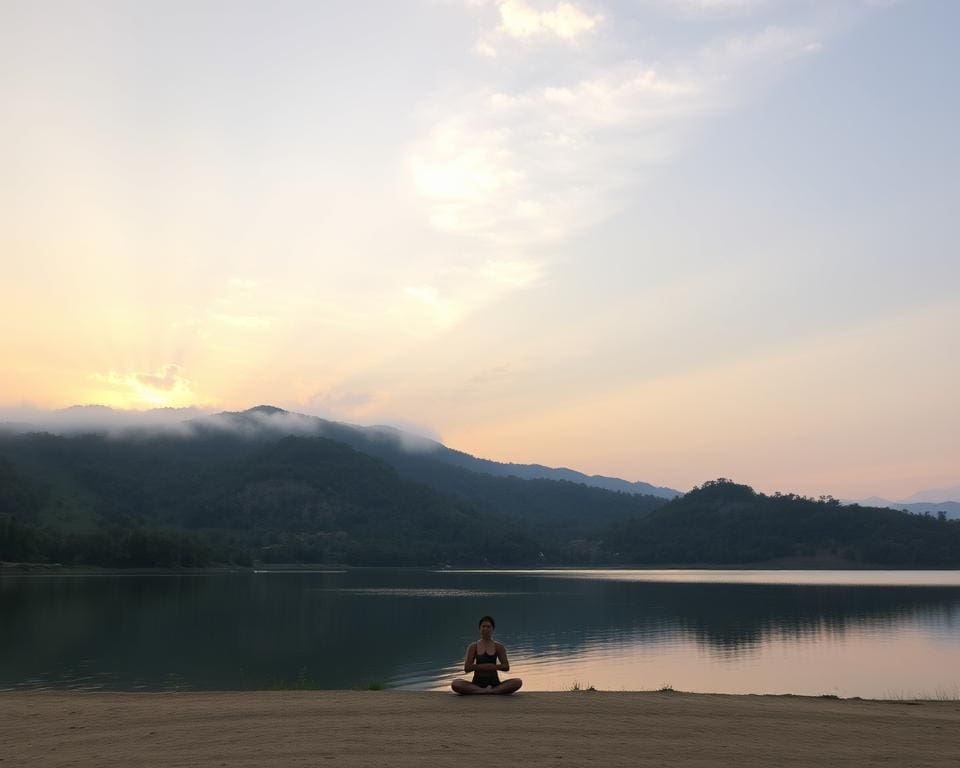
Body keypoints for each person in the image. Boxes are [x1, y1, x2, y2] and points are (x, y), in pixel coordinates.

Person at [451, 615, 523, 695]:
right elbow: (467, 668)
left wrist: (493, 667)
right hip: (477, 684)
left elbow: (506, 666)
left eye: (488, 627)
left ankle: (489, 691)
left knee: (518, 682)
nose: (485, 629)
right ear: (480, 629)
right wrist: (485, 666)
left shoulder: (498, 647)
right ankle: (485, 691)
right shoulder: (473, 646)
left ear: (492, 629)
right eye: (483, 626)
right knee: (455, 683)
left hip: (494, 683)